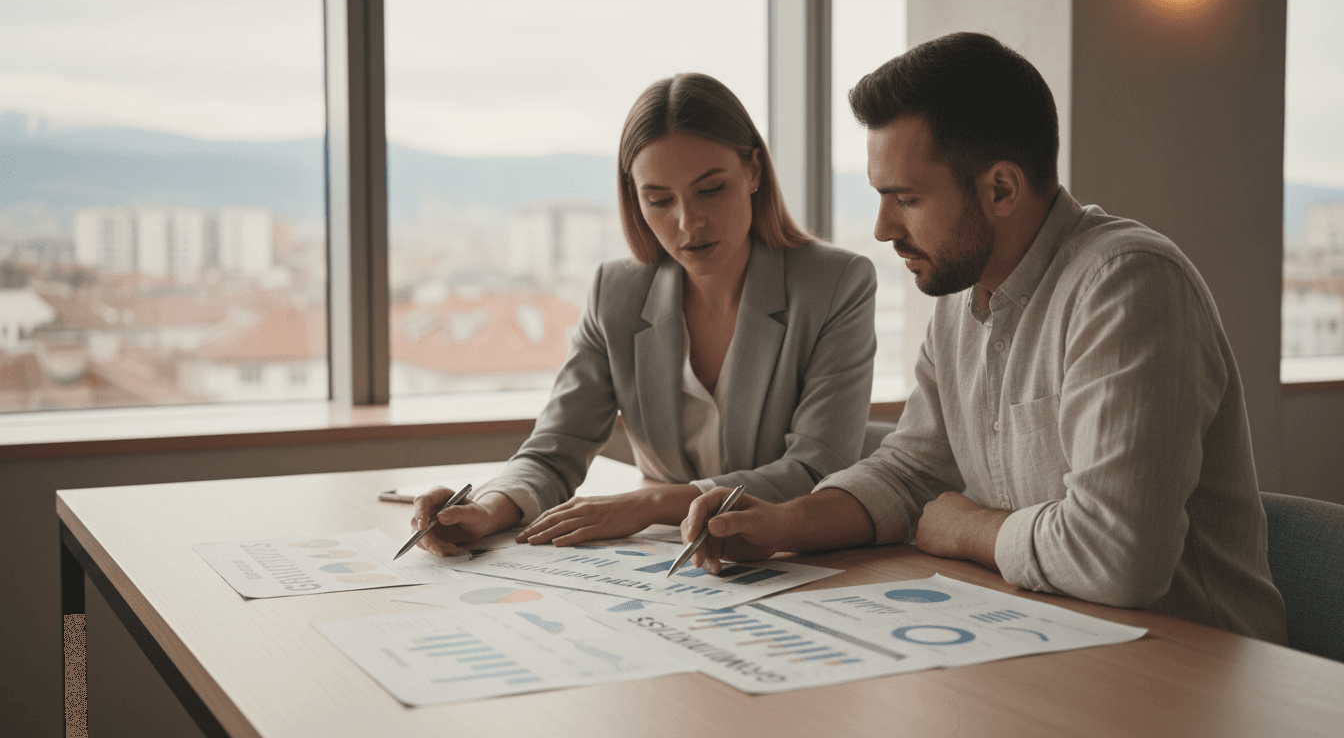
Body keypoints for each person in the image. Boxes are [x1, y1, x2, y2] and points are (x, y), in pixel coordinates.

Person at [682, 33, 1288, 643]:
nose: (882, 228)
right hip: (1053, 641)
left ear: (1000, 189)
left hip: (1194, 671)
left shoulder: (1128, 286)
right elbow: (913, 472)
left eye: (907, 199)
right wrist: (786, 524)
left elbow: (1117, 557)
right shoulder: (960, 297)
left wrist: (968, 527)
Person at [410, 73, 878, 555]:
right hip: (666, 558)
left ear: (753, 172)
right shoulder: (617, 291)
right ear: (634, 198)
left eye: (711, 189)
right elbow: (556, 448)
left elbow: (815, 469)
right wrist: (487, 509)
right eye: (658, 200)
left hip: (800, 555)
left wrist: (649, 504)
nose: (687, 222)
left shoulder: (836, 283)